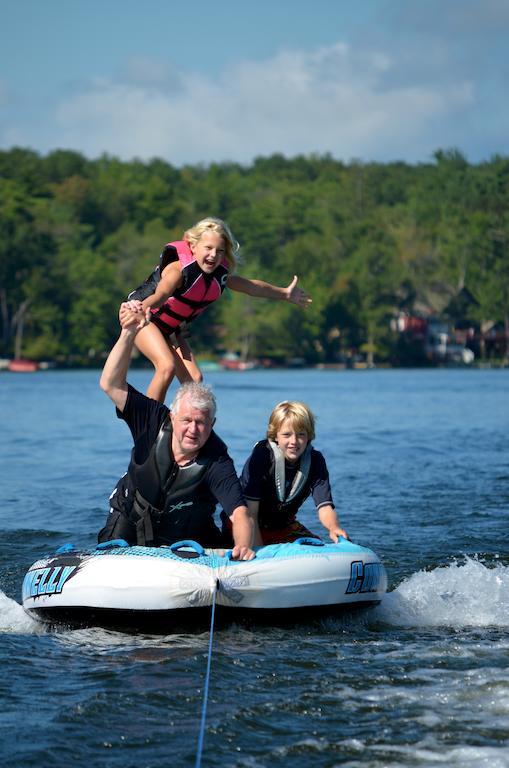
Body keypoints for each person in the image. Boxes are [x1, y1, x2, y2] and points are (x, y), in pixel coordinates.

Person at [98, 302, 255, 560]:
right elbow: (110, 383)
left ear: (212, 425)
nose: (193, 429)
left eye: (201, 422)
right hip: (130, 524)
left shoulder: (217, 459)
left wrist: (244, 546)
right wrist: (127, 334)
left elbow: (239, 512)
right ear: (172, 416)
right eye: (187, 420)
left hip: (185, 536)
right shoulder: (152, 419)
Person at [126, 216, 312, 402]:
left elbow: (251, 287)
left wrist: (285, 294)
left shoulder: (219, 276)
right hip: (142, 316)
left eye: (220, 251)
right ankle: (150, 423)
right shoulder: (178, 270)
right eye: (208, 248)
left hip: (170, 330)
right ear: (192, 246)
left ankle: (183, 425)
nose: (213, 255)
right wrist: (139, 307)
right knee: (166, 366)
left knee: (194, 382)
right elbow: (161, 295)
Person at [230, 401, 348, 546]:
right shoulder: (262, 457)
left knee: (318, 547)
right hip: (244, 523)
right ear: (275, 436)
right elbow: (250, 513)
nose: (294, 441)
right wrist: (259, 552)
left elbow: (324, 506)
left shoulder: (316, 461)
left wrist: (334, 527)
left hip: (282, 527)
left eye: (301, 434)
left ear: (309, 436)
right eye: (286, 434)